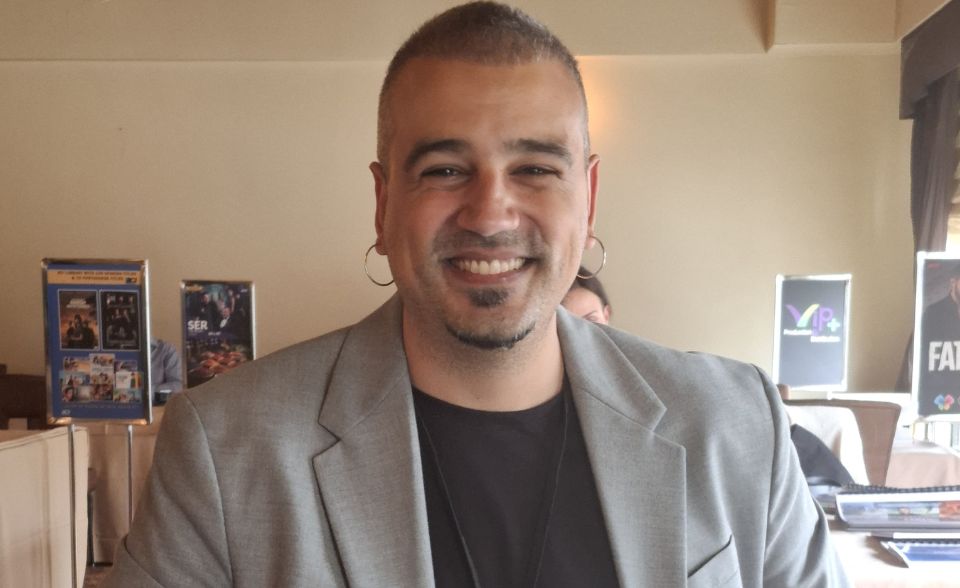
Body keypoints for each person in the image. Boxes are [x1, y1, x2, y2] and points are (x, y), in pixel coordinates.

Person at [104, 3, 849, 586]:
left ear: (588, 198)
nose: (491, 215)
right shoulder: (227, 447)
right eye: (444, 170)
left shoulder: (734, 424)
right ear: (383, 203)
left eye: (535, 169)